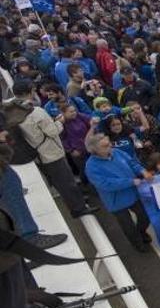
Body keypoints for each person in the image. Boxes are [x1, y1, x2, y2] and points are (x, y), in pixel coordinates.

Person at [5, 81, 99, 219]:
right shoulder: (36, 111)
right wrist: (60, 121)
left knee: (59, 182)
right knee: (66, 182)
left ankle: (76, 203)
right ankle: (78, 208)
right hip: (51, 153)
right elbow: (53, 131)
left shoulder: (14, 112)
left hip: (36, 153)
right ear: (31, 91)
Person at [84, 133, 154, 252]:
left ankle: (141, 232)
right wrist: (131, 182)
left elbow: (132, 163)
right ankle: (137, 243)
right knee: (128, 226)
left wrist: (142, 171)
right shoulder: (91, 167)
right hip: (116, 201)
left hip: (133, 193)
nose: (110, 147)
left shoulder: (117, 152)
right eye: (105, 146)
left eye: (109, 143)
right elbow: (106, 184)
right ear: (94, 150)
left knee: (145, 216)